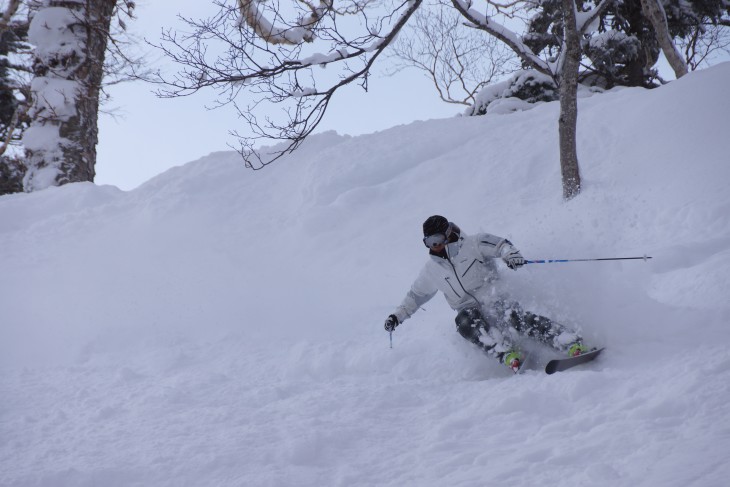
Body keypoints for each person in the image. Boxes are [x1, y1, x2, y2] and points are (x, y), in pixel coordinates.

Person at [384, 215, 588, 372]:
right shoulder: (431, 270)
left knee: (513, 318)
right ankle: (509, 354)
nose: (434, 246)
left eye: (437, 239)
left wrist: (511, 255)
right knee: (464, 322)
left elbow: (501, 245)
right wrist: (397, 316)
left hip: (494, 297)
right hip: (468, 309)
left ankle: (568, 342)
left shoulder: (474, 243)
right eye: (428, 242)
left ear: (447, 233)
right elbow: (415, 296)